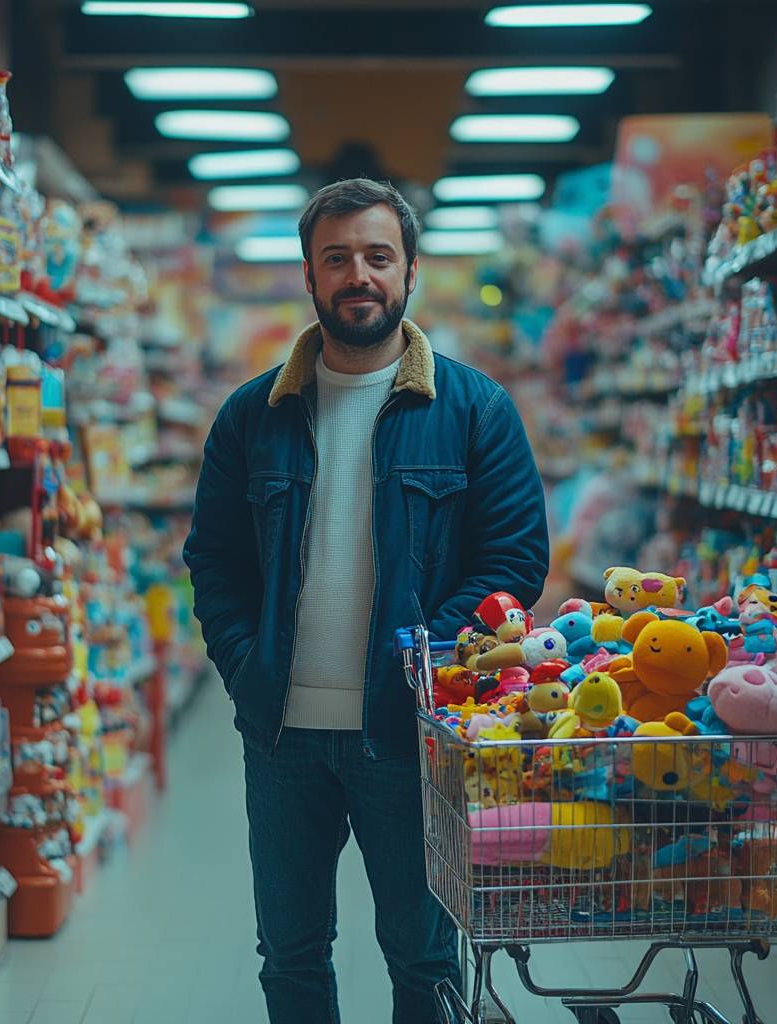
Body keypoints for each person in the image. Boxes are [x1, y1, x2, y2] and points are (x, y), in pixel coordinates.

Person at [183, 178, 549, 1024]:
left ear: (410, 272)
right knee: (292, 955)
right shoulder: (252, 416)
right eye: (337, 258)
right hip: (282, 734)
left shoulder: (473, 409)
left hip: (410, 735)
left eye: (378, 257)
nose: (360, 275)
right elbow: (215, 560)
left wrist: (423, 665)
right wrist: (244, 666)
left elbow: (512, 560)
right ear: (309, 277)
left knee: (425, 958)